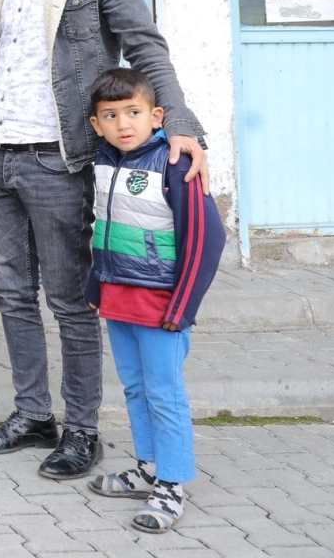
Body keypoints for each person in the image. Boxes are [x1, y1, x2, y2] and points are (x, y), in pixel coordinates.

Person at [0, 0, 210, 480]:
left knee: (70, 301)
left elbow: (145, 45)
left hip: (60, 157)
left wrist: (179, 122)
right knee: (12, 295)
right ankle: (32, 415)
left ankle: (82, 430)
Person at [83, 68, 222, 534]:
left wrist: (183, 307)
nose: (124, 123)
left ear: (156, 115)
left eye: (134, 113)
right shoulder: (104, 162)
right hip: (118, 300)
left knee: (165, 394)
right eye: (111, 115)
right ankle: (147, 468)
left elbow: (207, 240)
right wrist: (93, 287)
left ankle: (173, 485)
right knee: (136, 389)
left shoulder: (175, 163)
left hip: (162, 307)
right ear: (96, 124)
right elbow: (102, 230)